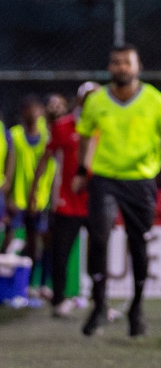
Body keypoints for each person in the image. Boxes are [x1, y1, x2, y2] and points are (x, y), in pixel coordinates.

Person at [75, 45, 161, 337]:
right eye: (116, 62)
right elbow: (86, 137)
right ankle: (99, 305)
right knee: (98, 235)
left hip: (140, 181)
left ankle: (136, 307)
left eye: (127, 62)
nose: (121, 67)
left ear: (138, 67)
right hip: (105, 178)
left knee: (137, 242)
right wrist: (80, 171)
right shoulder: (97, 100)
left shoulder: (155, 101)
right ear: (109, 67)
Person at [41, 86, 97, 315]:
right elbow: (45, 159)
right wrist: (37, 191)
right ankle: (59, 299)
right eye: (88, 98)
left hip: (95, 199)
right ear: (79, 101)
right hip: (67, 200)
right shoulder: (63, 126)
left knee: (99, 252)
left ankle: (97, 300)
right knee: (61, 251)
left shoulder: (103, 127)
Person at [2, 95, 53, 300]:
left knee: (36, 244)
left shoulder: (46, 136)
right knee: (9, 240)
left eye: (36, 108)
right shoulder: (14, 135)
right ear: (23, 112)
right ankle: (6, 286)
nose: (33, 112)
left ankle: (33, 284)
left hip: (39, 200)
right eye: (28, 109)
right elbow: (9, 167)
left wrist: (42, 197)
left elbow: (50, 169)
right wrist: (9, 197)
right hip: (17, 199)